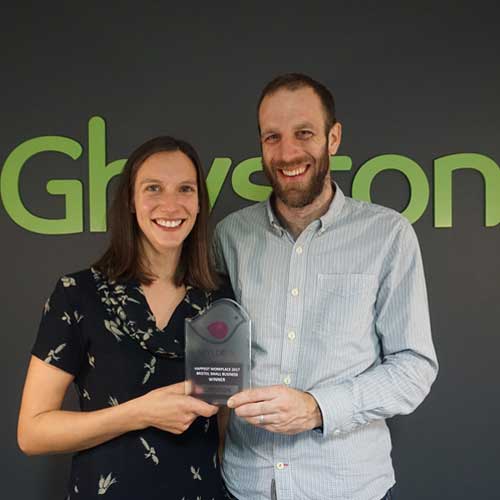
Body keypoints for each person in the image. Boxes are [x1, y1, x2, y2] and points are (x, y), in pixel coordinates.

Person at [214, 73, 438, 500]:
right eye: (272, 137)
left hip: (348, 486)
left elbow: (414, 367)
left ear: (333, 138)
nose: (288, 153)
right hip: (246, 485)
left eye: (304, 133)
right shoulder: (230, 237)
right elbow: (214, 349)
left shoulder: (387, 234)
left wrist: (318, 408)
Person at [18, 136, 232, 499]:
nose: (171, 204)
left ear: (199, 204)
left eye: (185, 189)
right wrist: (140, 413)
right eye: (153, 188)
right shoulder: (78, 294)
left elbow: (224, 423)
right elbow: (32, 433)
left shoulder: (219, 300)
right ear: (131, 202)